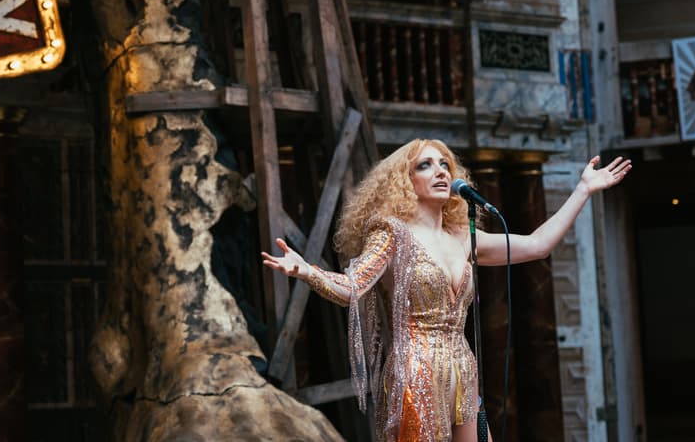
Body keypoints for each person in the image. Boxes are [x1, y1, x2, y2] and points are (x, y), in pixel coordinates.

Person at [262, 139, 632, 442]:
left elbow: (538, 245)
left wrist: (583, 189)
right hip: (416, 370)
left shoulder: (463, 237)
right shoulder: (393, 233)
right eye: (425, 165)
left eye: (444, 164)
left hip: (462, 367)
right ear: (404, 181)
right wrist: (308, 272)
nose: (440, 171)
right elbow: (352, 287)